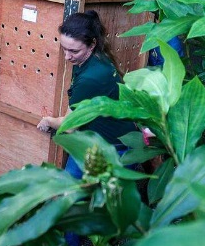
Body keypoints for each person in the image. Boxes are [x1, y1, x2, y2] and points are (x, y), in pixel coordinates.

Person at [36, 10, 136, 179]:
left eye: (74, 51)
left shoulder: (92, 77)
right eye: (64, 49)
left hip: (112, 150)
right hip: (106, 139)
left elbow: (70, 126)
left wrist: (48, 121)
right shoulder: (95, 58)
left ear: (92, 44)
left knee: (74, 192)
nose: (67, 57)